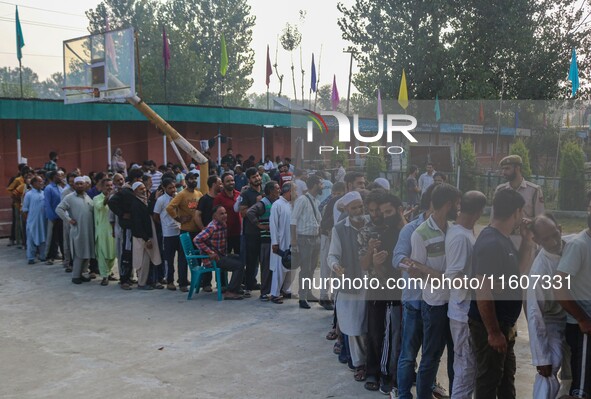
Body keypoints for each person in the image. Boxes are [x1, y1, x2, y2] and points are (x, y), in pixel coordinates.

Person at [468, 189, 534, 399]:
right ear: (517, 211)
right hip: (492, 326)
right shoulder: (492, 243)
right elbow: (483, 290)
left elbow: (519, 271)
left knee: (505, 378)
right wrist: (493, 332)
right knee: (489, 381)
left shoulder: (502, 240)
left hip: (504, 326)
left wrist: (526, 239)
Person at [408, 183, 461, 398]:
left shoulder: (454, 230)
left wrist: (427, 269)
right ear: (448, 205)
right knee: (431, 356)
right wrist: (436, 276)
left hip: (455, 302)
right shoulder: (420, 234)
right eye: (456, 204)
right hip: (435, 305)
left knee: (457, 356)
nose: (459, 208)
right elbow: (414, 272)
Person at [444, 190, 487, 399]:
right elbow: (452, 276)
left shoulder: (465, 231)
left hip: (466, 312)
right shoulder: (460, 237)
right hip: (462, 314)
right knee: (465, 371)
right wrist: (482, 285)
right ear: (479, 212)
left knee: (468, 368)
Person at [527, 214, 573, 399]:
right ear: (536, 240)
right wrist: (541, 357)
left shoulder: (574, 246)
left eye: (555, 234)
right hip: (553, 320)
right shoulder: (539, 270)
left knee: (576, 371)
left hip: (577, 316)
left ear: (560, 229)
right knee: (550, 367)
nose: (554, 242)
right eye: (546, 239)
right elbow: (534, 314)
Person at [328, 191, 369, 382]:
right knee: (354, 327)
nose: (359, 210)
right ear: (347, 210)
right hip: (351, 283)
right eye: (354, 208)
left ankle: (372, 363)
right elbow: (332, 255)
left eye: (361, 206)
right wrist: (335, 266)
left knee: (371, 327)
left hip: (375, 284)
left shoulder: (372, 224)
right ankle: (360, 364)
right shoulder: (339, 229)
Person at [555, 190, 591, 399]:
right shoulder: (579, 245)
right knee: (581, 389)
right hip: (583, 331)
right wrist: (581, 318)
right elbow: (558, 287)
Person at [194, 206, 245, 300]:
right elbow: (197, 239)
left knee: (242, 259)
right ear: (214, 216)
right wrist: (210, 252)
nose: (225, 215)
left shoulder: (223, 224)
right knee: (238, 265)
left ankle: (235, 287)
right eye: (221, 214)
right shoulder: (212, 227)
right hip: (212, 260)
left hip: (222, 255)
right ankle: (231, 292)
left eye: (225, 213)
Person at [108, 168, 145, 290]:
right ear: (135, 179)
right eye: (139, 179)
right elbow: (112, 202)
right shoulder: (125, 192)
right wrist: (122, 213)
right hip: (128, 228)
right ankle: (124, 279)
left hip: (135, 227)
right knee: (126, 253)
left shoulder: (135, 191)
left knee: (133, 253)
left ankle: (129, 277)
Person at [165, 170, 202, 293]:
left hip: (198, 231)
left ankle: (197, 281)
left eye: (195, 179)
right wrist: (178, 218)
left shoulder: (199, 193)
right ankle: (182, 282)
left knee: (198, 257)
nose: (194, 181)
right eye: (191, 179)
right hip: (186, 231)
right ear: (186, 181)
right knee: (183, 258)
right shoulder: (181, 194)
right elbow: (170, 207)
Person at [291, 174, 323, 309]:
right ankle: (302, 297)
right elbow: (293, 221)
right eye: (320, 184)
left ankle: (308, 293)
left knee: (312, 269)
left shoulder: (316, 201)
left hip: (315, 239)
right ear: (315, 184)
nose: (322, 186)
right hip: (304, 239)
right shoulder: (302, 200)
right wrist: (294, 242)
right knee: (305, 269)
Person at [56, 176, 96, 285]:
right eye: (77, 184)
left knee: (87, 253)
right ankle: (75, 276)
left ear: (85, 185)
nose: (79, 185)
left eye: (81, 183)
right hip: (78, 230)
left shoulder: (87, 197)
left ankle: (83, 273)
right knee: (79, 254)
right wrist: (68, 219)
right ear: (74, 185)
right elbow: (59, 209)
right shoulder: (69, 197)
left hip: (88, 230)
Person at [246, 181, 281, 300]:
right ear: (271, 191)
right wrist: (259, 225)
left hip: (275, 239)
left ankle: (274, 289)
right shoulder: (263, 203)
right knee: (266, 266)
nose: (279, 190)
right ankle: (264, 292)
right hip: (266, 240)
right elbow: (249, 212)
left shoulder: (277, 202)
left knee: (275, 266)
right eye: (277, 188)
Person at [130, 182, 161, 290]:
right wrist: (146, 239)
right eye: (140, 189)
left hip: (146, 235)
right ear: (135, 191)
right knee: (143, 261)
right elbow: (137, 224)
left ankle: (148, 281)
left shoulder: (143, 201)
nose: (143, 190)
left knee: (148, 260)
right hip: (141, 237)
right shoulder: (135, 204)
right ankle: (142, 283)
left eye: (144, 188)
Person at [493, 155, 544, 222]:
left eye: (507, 169)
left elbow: (540, 218)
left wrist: (530, 221)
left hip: (526, 231)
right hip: (505, 232)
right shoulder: (500, 190)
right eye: (503, 169)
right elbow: (494, 218)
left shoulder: (534, 190)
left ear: (517, 168)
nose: (503, 172)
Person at [195, 175, 223, 291]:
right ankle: (206, 283)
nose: (221, 185)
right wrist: (203, 230)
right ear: (213, 184)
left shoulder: (220, 198)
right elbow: (197, 216)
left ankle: (221, 283)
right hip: (208, 236)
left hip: (219, 237)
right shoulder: (204, 199)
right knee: (207, 260)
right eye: (219, 183)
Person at [153, 178, 181, 291]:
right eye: (170, 188)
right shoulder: (161, 200)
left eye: (174, 187)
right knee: (170, 260)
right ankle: (170, 281)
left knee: (182, 259)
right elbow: (156, 216)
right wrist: (165, 224)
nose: (173, 190)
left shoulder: (178, 196)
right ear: (164, 188)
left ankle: (182, 280)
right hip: (168, 233)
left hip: (179, 230)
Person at [239, 167, 264, 291]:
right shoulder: (246, 194)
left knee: (264, 260)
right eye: (254, 177)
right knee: (251, 260)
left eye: (258, 175)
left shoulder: (265, 191)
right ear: (249, 180)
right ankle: (249, 285)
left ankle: (265, 284)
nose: (257, 178)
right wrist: (256, 203)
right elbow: (243, 213)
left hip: (265, 231)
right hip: (251, 232)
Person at [269, 182, 295, 304]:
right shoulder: (277, 205)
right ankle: (274, 293)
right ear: (287, 191)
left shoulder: (291, 205)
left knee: (292, 267)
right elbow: (273, 225)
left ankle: (286, 289)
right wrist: (275, 242)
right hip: (281, 242)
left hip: (292, 241)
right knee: (279, 268)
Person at [93, 178, 116, 286]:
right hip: (102, 230)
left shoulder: (116, 198)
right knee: (102, 253)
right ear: (102, 187)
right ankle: (104, 276)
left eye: (111, 185)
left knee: (112, 253)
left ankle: (109, 272)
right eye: (107, 185)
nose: (110, 188)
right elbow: (100, 205)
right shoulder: (96, 198)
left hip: (113, 228)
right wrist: (109, 196)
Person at [213, 173, 242, 256]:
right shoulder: (219, 198)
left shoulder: (239, 194)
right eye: (228, 181)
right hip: (225, 234)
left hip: (238, 232)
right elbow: (215, 216)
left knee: (240, 259)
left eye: (232, 180)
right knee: (224, 260)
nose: (231, 183)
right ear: (223, 183)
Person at [22, 175, 47, 264]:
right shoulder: (29, 194)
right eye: (39, 181)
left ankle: (43, 256)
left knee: (43, 237)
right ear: (34, 183)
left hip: (42, 221)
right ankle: (31, 257)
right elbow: (24, 210)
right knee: (31, 239)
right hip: (32, 222)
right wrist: (29, 221)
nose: (42, 183)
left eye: (42, 181)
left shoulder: (44, 193)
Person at [43, 170, 65, 265]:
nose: (60, 177)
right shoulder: (48, 188)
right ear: (53, 177)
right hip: (53, 217)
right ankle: (50, 256)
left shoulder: (60, 188)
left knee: (61, 237)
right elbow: (47, 204)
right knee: (52, 237)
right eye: (58, 176)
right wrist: (52, 216)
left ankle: (63, 255)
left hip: (61, 216)